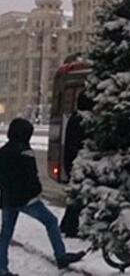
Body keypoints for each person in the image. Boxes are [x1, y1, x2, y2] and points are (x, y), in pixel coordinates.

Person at [0, 118, 85, 276]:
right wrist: (36, 191)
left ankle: (2, 269)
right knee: (51, 221)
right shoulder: (25, 151)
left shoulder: (3, 151)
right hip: (26, 199)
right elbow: (31, 176)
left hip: (7, 199)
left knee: (5, 233)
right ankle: (60, 256)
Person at [59, 92, 91, 237]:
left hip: (73, 162)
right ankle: (71, 228)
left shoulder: (74, 117)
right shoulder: (82, 120)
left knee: (75, 197)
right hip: (79, 163)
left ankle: (66, 225)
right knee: (78, 197)